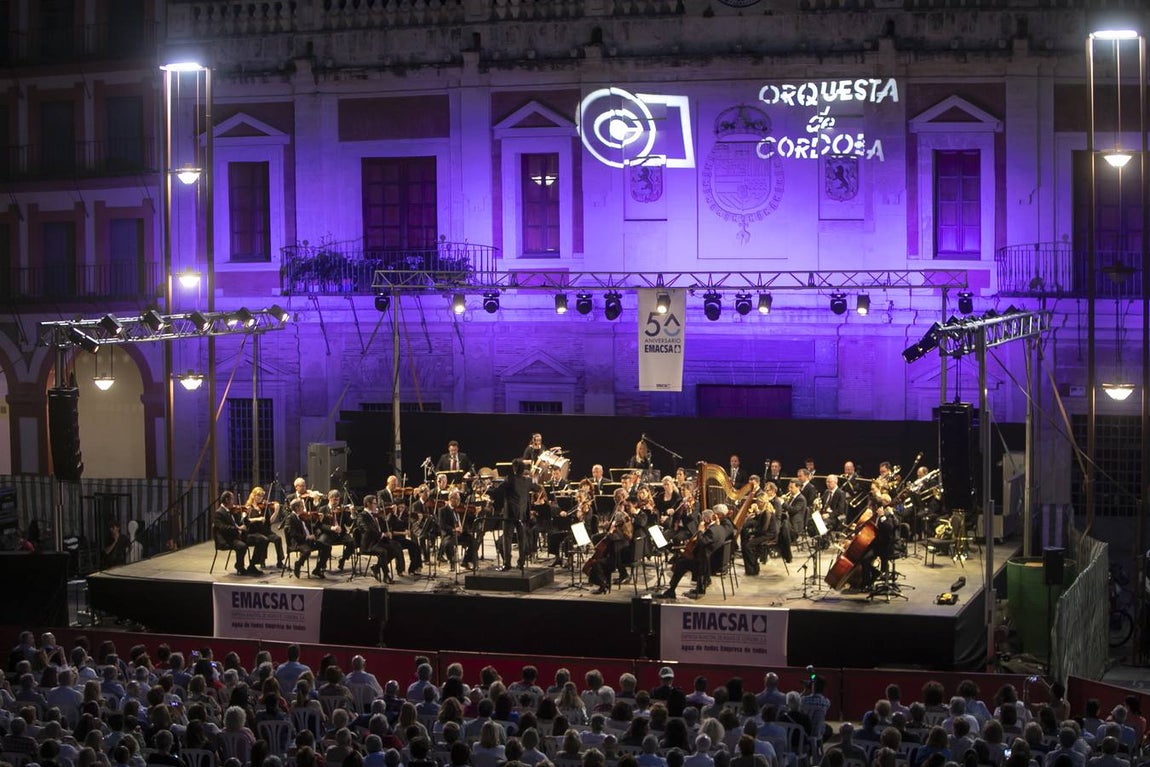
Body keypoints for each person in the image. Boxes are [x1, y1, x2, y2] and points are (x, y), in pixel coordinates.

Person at [661, 509, 729, 599]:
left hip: (707, 566)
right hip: (713, 562)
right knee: (684, 559)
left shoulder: (712, 531)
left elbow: (702, 542)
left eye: (702, 519)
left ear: (707, 520)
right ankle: (701, 587)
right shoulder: (720, 528)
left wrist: (700, 530)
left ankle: (671, 590)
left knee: (681, 563)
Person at [490, 458, 533, 571]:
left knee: (507, 538)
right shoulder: (528, 481)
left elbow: (498, 490)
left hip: (510, 514)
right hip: (522, 514)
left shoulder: (510, 479)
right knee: (521, 538)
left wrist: (488, 489)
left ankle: (507, 563)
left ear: (514, 468)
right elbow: (537, 488)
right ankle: (521, 563)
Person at [213, 491, 269, 576]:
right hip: (228, 539)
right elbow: (223, 528)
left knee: (263, 539)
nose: (234, 502)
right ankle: (240, 567)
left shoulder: (233, 511)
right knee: (242, 546)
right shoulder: (219, 513)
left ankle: (252, 565)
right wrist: (238, 528)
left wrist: (246, 515)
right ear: (227, 500)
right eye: (232, 499)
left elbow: (242, 523)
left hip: (239, 536)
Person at [284, 498, 332, 579]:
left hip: (309, 541)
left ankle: (318, 569)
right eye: (302, 506)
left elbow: (313, 527)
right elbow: (292, 533)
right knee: (307, 550)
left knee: (327, 547)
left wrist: (320, 520)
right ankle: (298, 564)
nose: (304, 508)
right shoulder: (290, 518)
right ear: (297, 508)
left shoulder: (304, 516)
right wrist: (306, 537)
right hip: (298, 542)